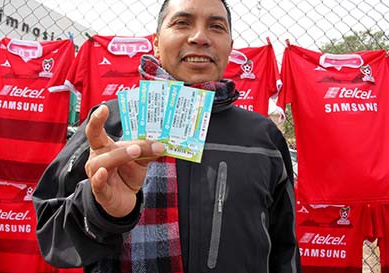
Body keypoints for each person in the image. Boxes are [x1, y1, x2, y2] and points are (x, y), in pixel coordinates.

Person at [33, 0, 301, 272]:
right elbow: (51, 236)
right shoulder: (109, 123)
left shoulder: (263, 137)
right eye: (182, 23)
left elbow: (284, 251)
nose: (199, 37)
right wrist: (100, 210)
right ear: (156, 43)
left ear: (230, 47)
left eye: (216, 26)